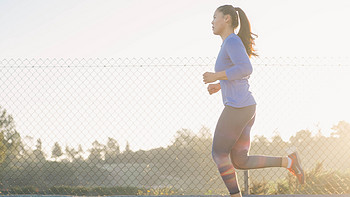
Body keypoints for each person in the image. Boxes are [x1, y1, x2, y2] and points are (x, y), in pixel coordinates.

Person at [202, 5, 305, 197]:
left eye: (215, 17)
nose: (212, 22)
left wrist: (216, 75)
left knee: (219, 153)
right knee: (240, 161)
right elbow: (238, 74)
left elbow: (246, 68)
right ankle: (289, 162)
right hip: (245, 107)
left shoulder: (232, 41)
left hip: (239, 107)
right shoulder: (228, 43)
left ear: (227, 19)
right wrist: (220, 84)